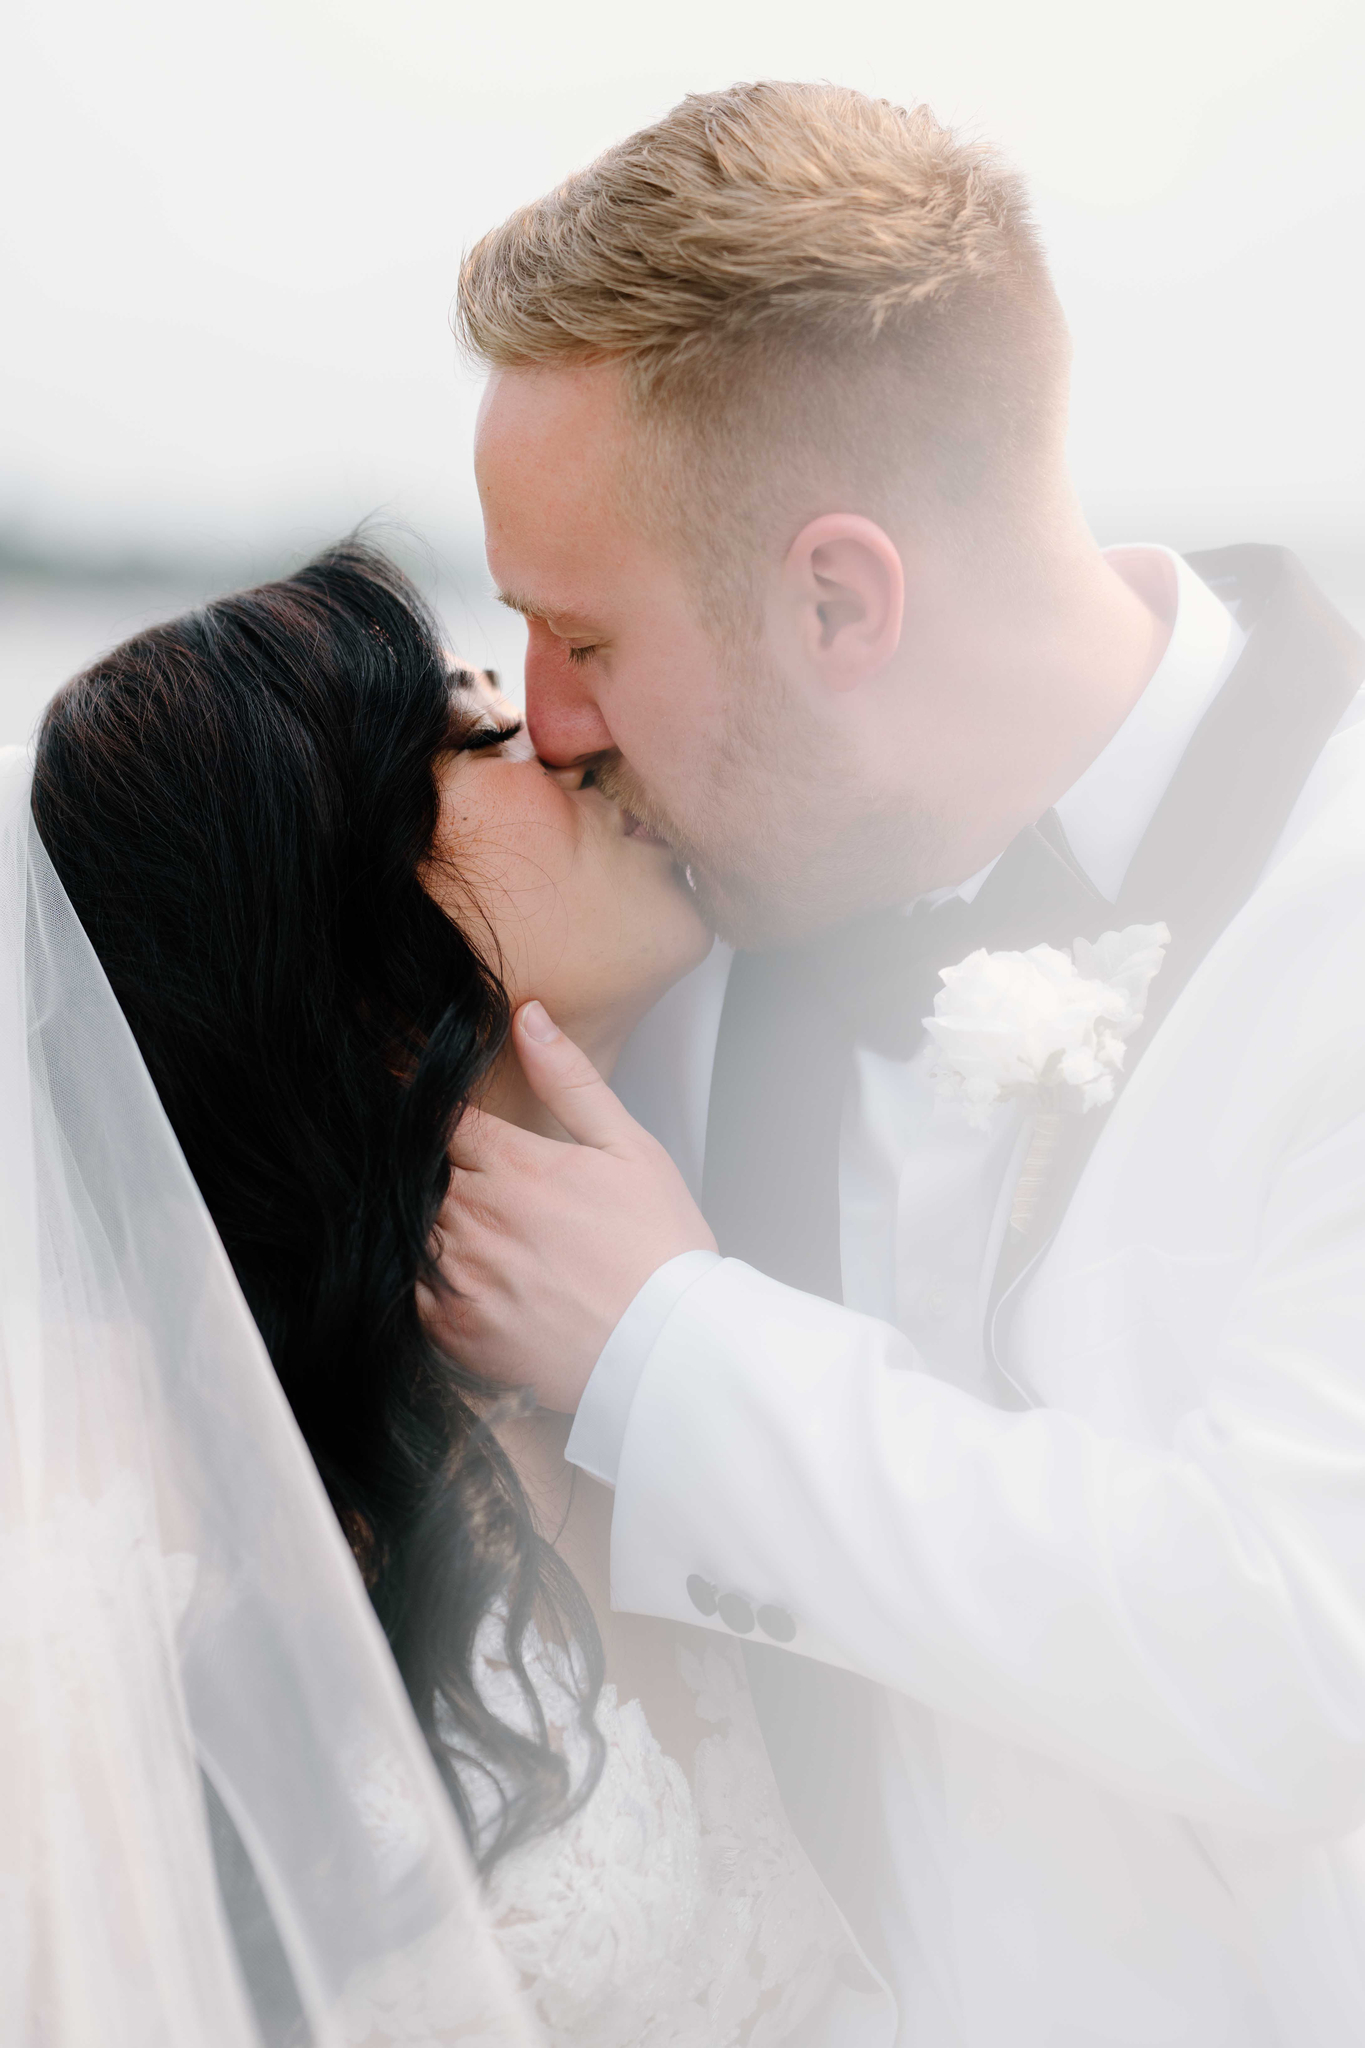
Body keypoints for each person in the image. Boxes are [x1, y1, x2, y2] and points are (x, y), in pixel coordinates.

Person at [433, 81, 1365, 2046]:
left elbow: (1302, 1653)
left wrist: (676, 1352)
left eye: (581, 633)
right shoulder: (663, 945)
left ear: (838, 599)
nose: (547, 720)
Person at [30, 539, 876, 2046]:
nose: (570, 740)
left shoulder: (709, 1312)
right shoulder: (129, 1530)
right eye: (479, 736)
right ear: (334, 941)